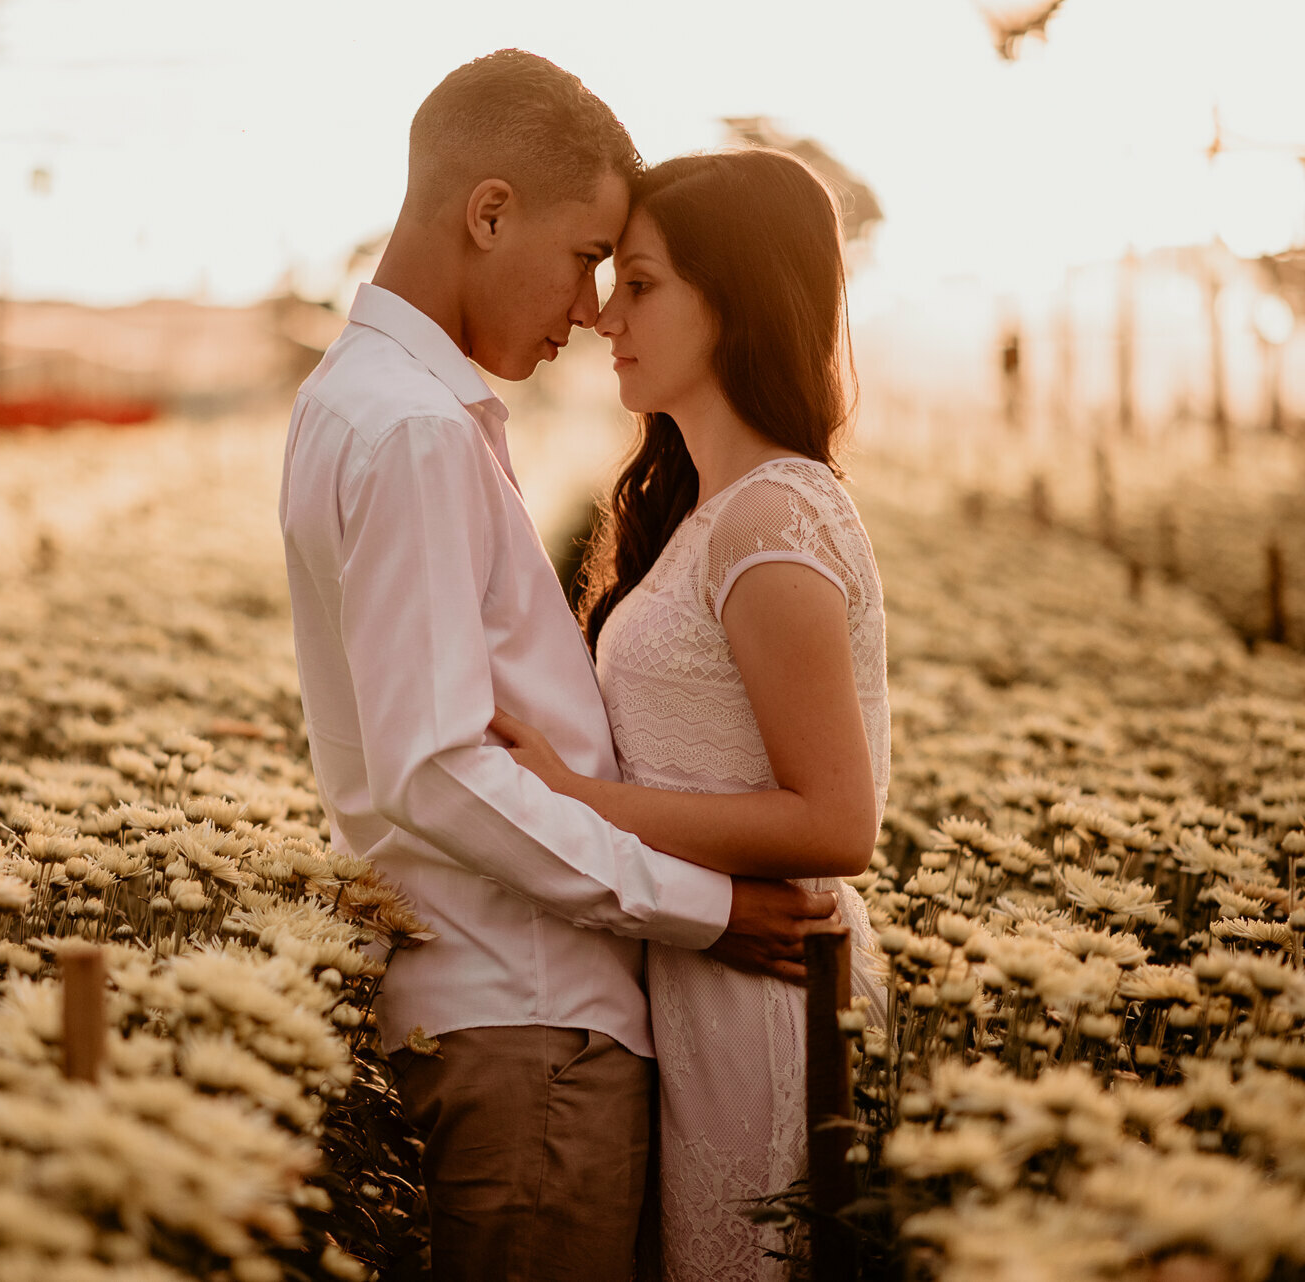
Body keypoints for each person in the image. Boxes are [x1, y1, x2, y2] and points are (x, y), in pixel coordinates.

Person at [276, 50, 843, 1282]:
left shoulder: (356, 403)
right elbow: (435, 771)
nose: (592, 307)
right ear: (489, 213)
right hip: (531, 1025)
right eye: (590, 256)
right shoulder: (418, 431)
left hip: (508, 1009)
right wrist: (704, 910)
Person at [491, 148, 890, 1281]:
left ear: (739, 296)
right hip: (706, 980)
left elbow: (836, 823)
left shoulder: (771, 525)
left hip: (768, 1002)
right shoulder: (715, 509)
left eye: (646, 282)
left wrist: (577, 801)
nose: (608, 314)